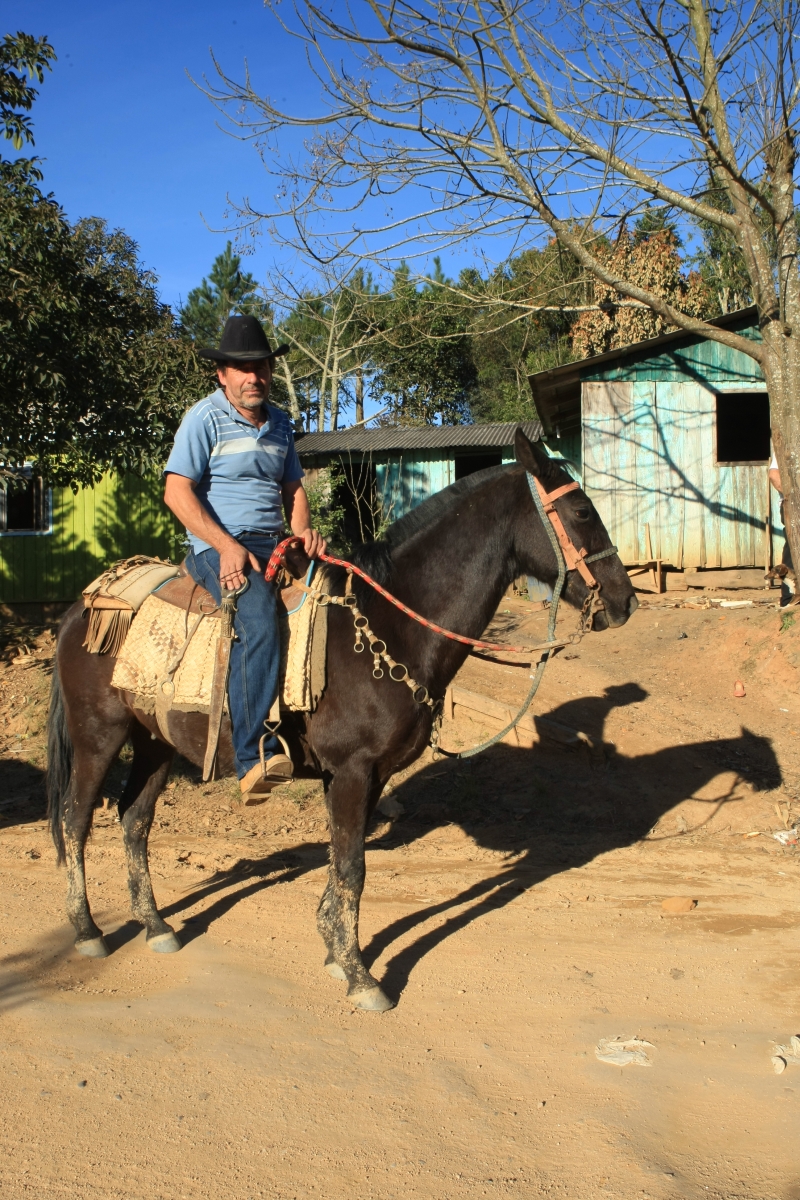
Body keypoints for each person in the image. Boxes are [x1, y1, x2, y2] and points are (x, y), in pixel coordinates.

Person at [163, 315, 327, 801]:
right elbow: (176, 492)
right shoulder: (203, 419)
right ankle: (252, 757)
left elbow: (293, 489)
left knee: (338, 594)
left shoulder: (281, 424)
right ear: (222, 374)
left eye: (261, 367)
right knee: (256, 620)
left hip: (273, 543)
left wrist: (303, 534)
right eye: (242, 368)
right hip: (218, 548)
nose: (253, 377)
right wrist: (225, 545)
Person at [768, 450, 794, 606]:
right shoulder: (787, 442)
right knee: (793, 547)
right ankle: (789, 599)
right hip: (793, 504)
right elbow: (774, 475)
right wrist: (794, 494)